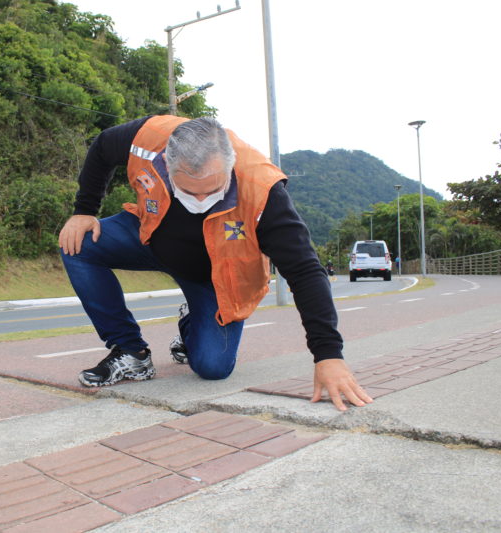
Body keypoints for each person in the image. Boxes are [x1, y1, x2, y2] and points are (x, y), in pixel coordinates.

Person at [59, 115, 372, 413]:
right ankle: (131, 352)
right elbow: (102, 147)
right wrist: (84, 209)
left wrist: (328, 354)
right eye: (187, 191)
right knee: (77, 242)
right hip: (152, 239)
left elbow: (304, 272)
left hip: (217, 277)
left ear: (230, 164)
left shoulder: (263, 190)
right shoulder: (148, 139)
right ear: (167, 163)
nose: (199, 201)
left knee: (212, 367)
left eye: (212, 191)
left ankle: (192, 319)